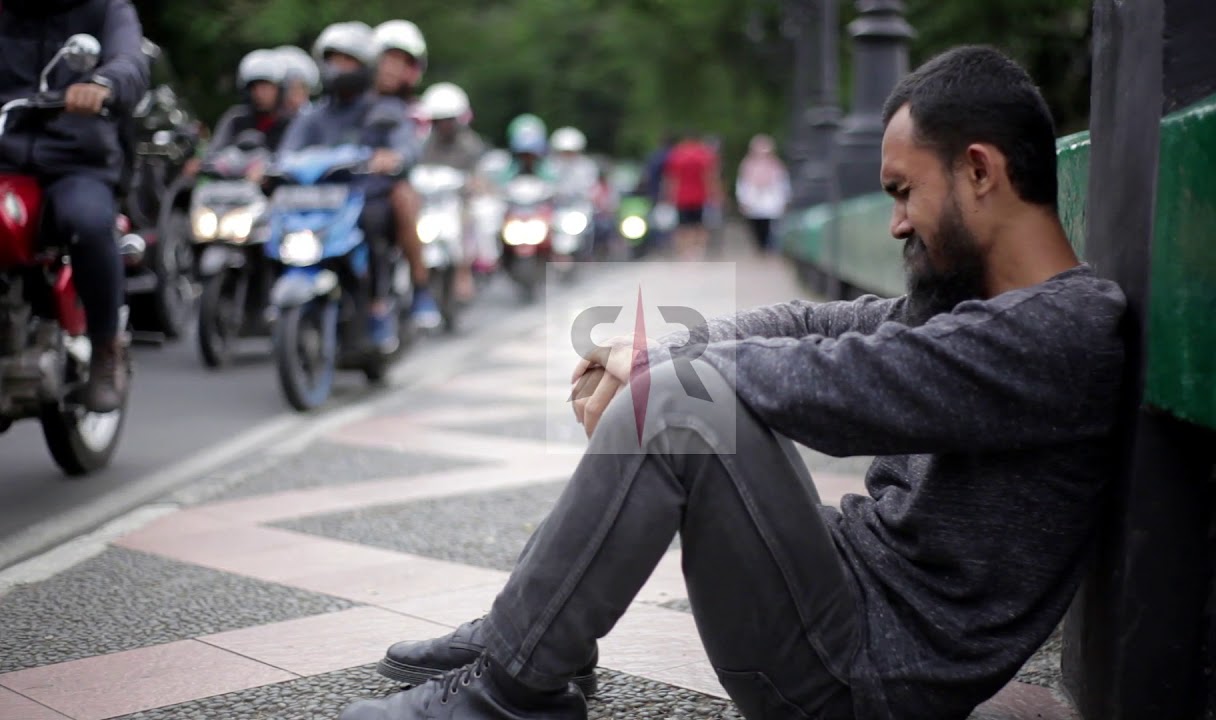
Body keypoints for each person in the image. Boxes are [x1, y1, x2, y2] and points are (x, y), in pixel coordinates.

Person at [339, 45, 1129, 720]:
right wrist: (654, 344)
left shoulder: (1061, 331)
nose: (896, 223)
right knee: (685, 382)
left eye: (903, 191)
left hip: (866, 676)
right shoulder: (975, 306)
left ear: (980, 171)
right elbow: (810, 327)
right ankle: (534, 633)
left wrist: (656, 371)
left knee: (683, 403)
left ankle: (511, 691)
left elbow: (840, 381)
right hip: (846, 598)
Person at [0, 0, 149, 413]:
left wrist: (104, 83)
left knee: (87, 221)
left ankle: (105, 349)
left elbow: (131, 61)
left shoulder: (105, 10)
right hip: (5, 156)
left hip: (74, 158)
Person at [277, 21, 418, 354]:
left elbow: (406, 147)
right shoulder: (312, 116)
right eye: (332, 59)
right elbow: (286, 153)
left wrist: (391, 157)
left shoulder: (383, 110)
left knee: (374, 220)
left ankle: (377, 306)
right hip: (318, 205)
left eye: (347, 60)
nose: (337, 68)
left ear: (365, 65)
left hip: (363, 200)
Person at [369, 19, 434, 334]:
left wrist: (394, 158)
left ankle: (420, 285)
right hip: (351, 183)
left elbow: (411, 150)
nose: (391, 68)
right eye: (386, 59)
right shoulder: (354, 100)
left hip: (398, 184)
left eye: (400, 61)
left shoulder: (414, 111)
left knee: (402, 197)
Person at [419, 81, 486, 309]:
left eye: (449, 119)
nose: (445, 125)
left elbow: (480, 176)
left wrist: (474, 185)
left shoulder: (470, 145)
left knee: (469, 220)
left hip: (458, 204)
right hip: (430, 206)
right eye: (440, 120)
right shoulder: (423, 145)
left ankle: (463, 273)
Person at [205, 49, 290, 159]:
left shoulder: (290, 122)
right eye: (254, 88)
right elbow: (214, 154)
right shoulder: (236, 118)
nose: (259, 94)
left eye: (265, 87)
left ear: (279, 89)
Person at [663, 129, 721, 261]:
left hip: (681, 196)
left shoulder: (676, 154)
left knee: (682, 225)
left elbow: (671, 178)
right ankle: (698, 251)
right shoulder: (705, 154)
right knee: (699, 224)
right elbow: (710, 177)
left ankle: (684, 252)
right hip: (700, 196)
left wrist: (669, 195)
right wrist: (715, 194)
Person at [735, 133, 791, 254]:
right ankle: (760, 247)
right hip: (754, 200)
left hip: (771, 200)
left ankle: (769, 248)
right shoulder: (747, 165)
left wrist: (785, 199)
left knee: (771, 226)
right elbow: (743, 184)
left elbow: (782, 183)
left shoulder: (776, 165)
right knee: (756, 226)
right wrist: (743, 200)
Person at [274, 45, 320, 118]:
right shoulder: (274, 118)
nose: (291, 96)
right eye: (287, 90)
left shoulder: (315, 118)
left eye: (297, 90)